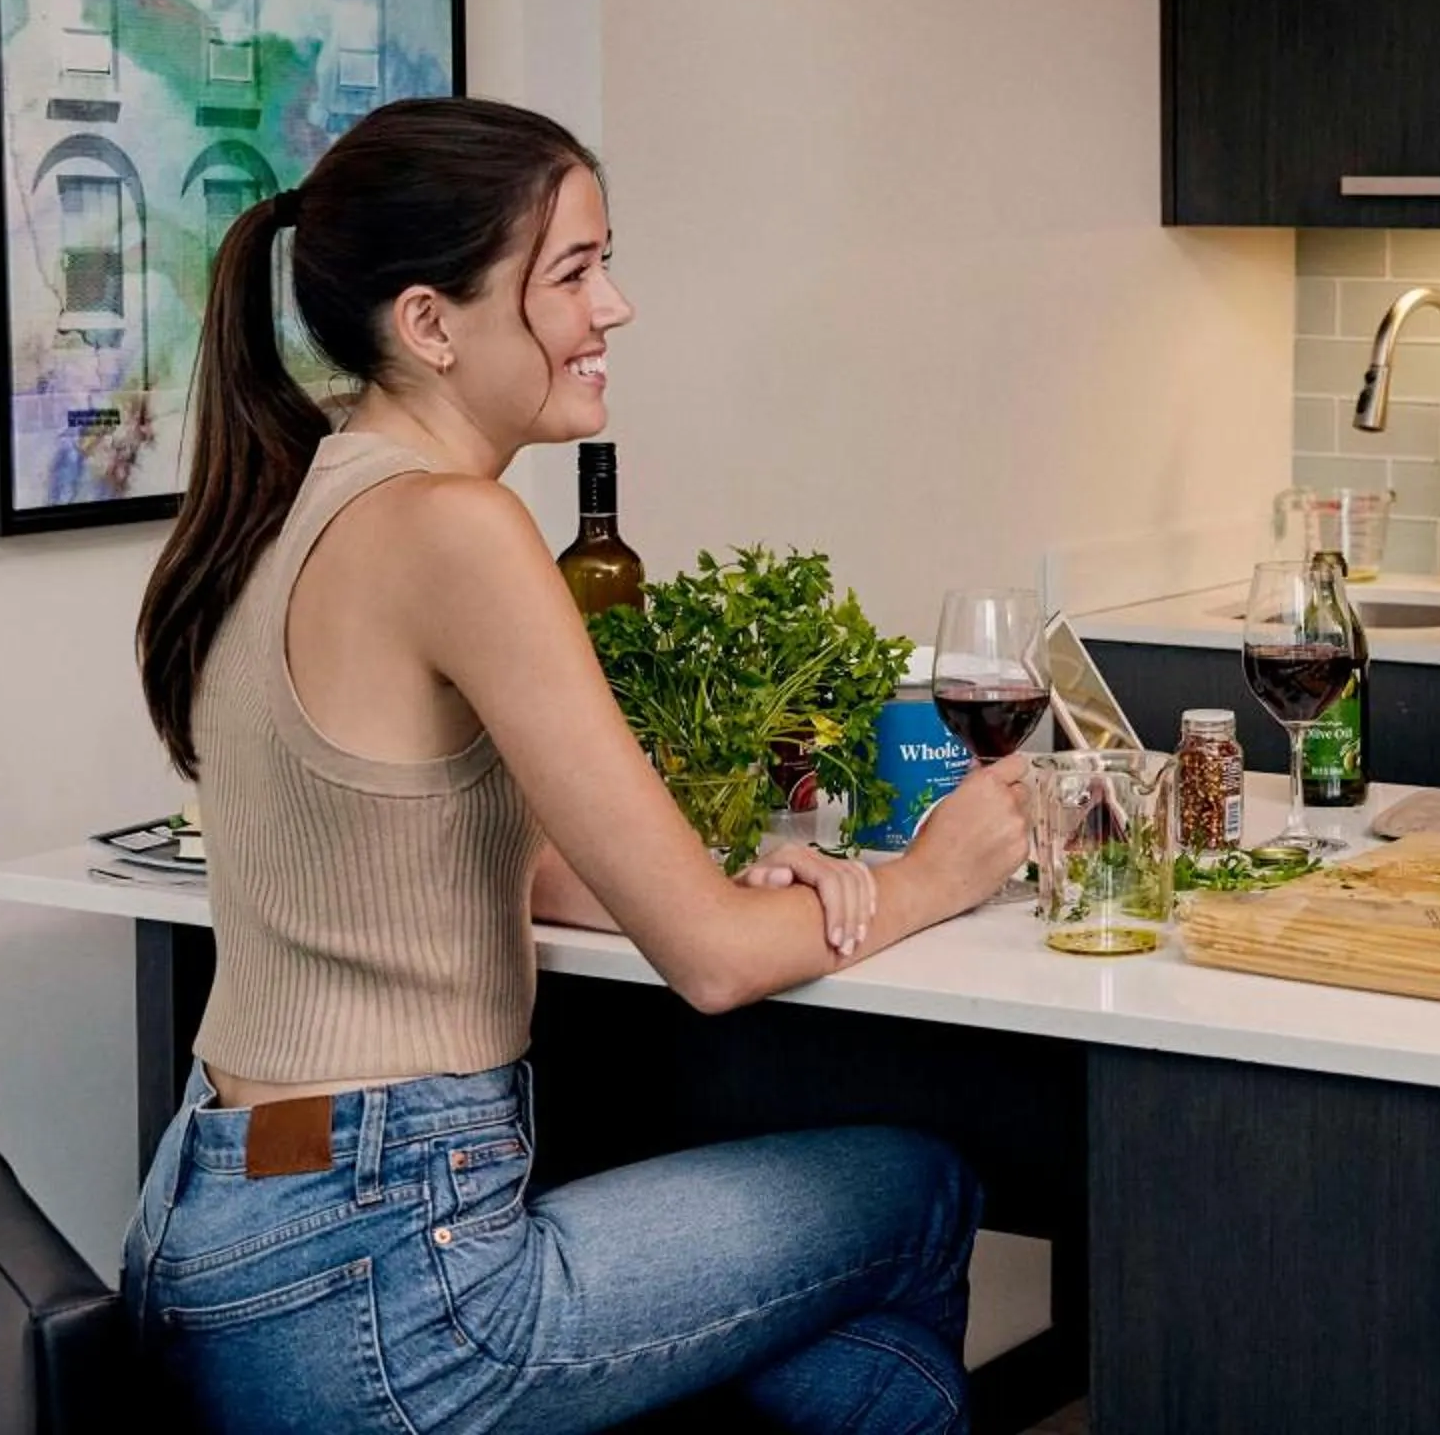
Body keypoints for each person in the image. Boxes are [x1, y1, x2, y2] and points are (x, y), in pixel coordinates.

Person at [126, 97, 1029, 1435]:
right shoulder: (456, 527)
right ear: (431, 324)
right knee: (922, 1187)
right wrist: (937, 874)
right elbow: (712, 965)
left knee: (869, 1380)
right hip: (384, 1287)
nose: (615, 307)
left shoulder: (287, 499)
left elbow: (485, 855)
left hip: (229, 1214)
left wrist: (719, 874)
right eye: (571, 274)